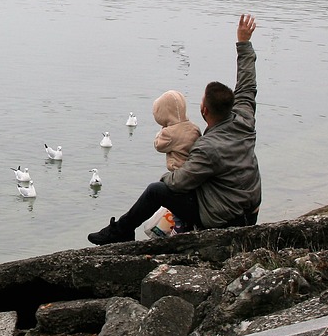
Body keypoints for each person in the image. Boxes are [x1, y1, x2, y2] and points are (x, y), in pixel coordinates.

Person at [89, 14, 261, 244]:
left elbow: (179, 182)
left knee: (156, 190)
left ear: (205, 111)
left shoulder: (207, 148)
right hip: (251, 212)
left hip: (227, 219)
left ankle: (121, 231)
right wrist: (243, 43)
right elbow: (247, 82)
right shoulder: (244, 118)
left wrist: (166, 176)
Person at [144, 89, 203, 236]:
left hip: (178, 174)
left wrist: (162, 131)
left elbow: (159, 145)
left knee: (173, 201)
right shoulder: (193, 128)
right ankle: (187, 225)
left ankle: (178, 227)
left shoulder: (169, 133)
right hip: (192, 174)